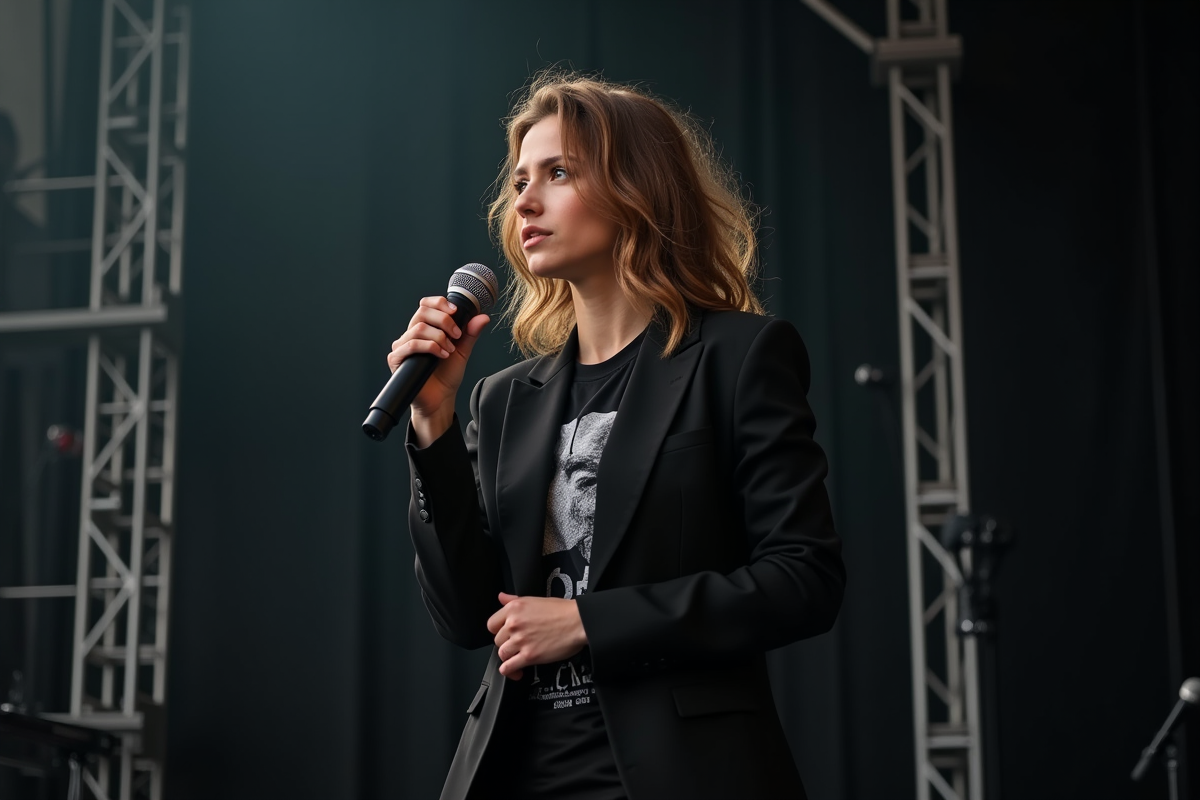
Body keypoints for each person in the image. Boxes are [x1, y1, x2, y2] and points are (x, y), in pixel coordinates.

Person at [389, 72, 845, 800]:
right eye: (519, 182)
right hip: (518, 774)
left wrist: (590, 622)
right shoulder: (504, 399)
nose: (526, 201)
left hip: (685, 774)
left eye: (559, 173)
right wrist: (433, 422)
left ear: (638, 188)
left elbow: (803, 581)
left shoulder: (738, 358)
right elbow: (465, 615)